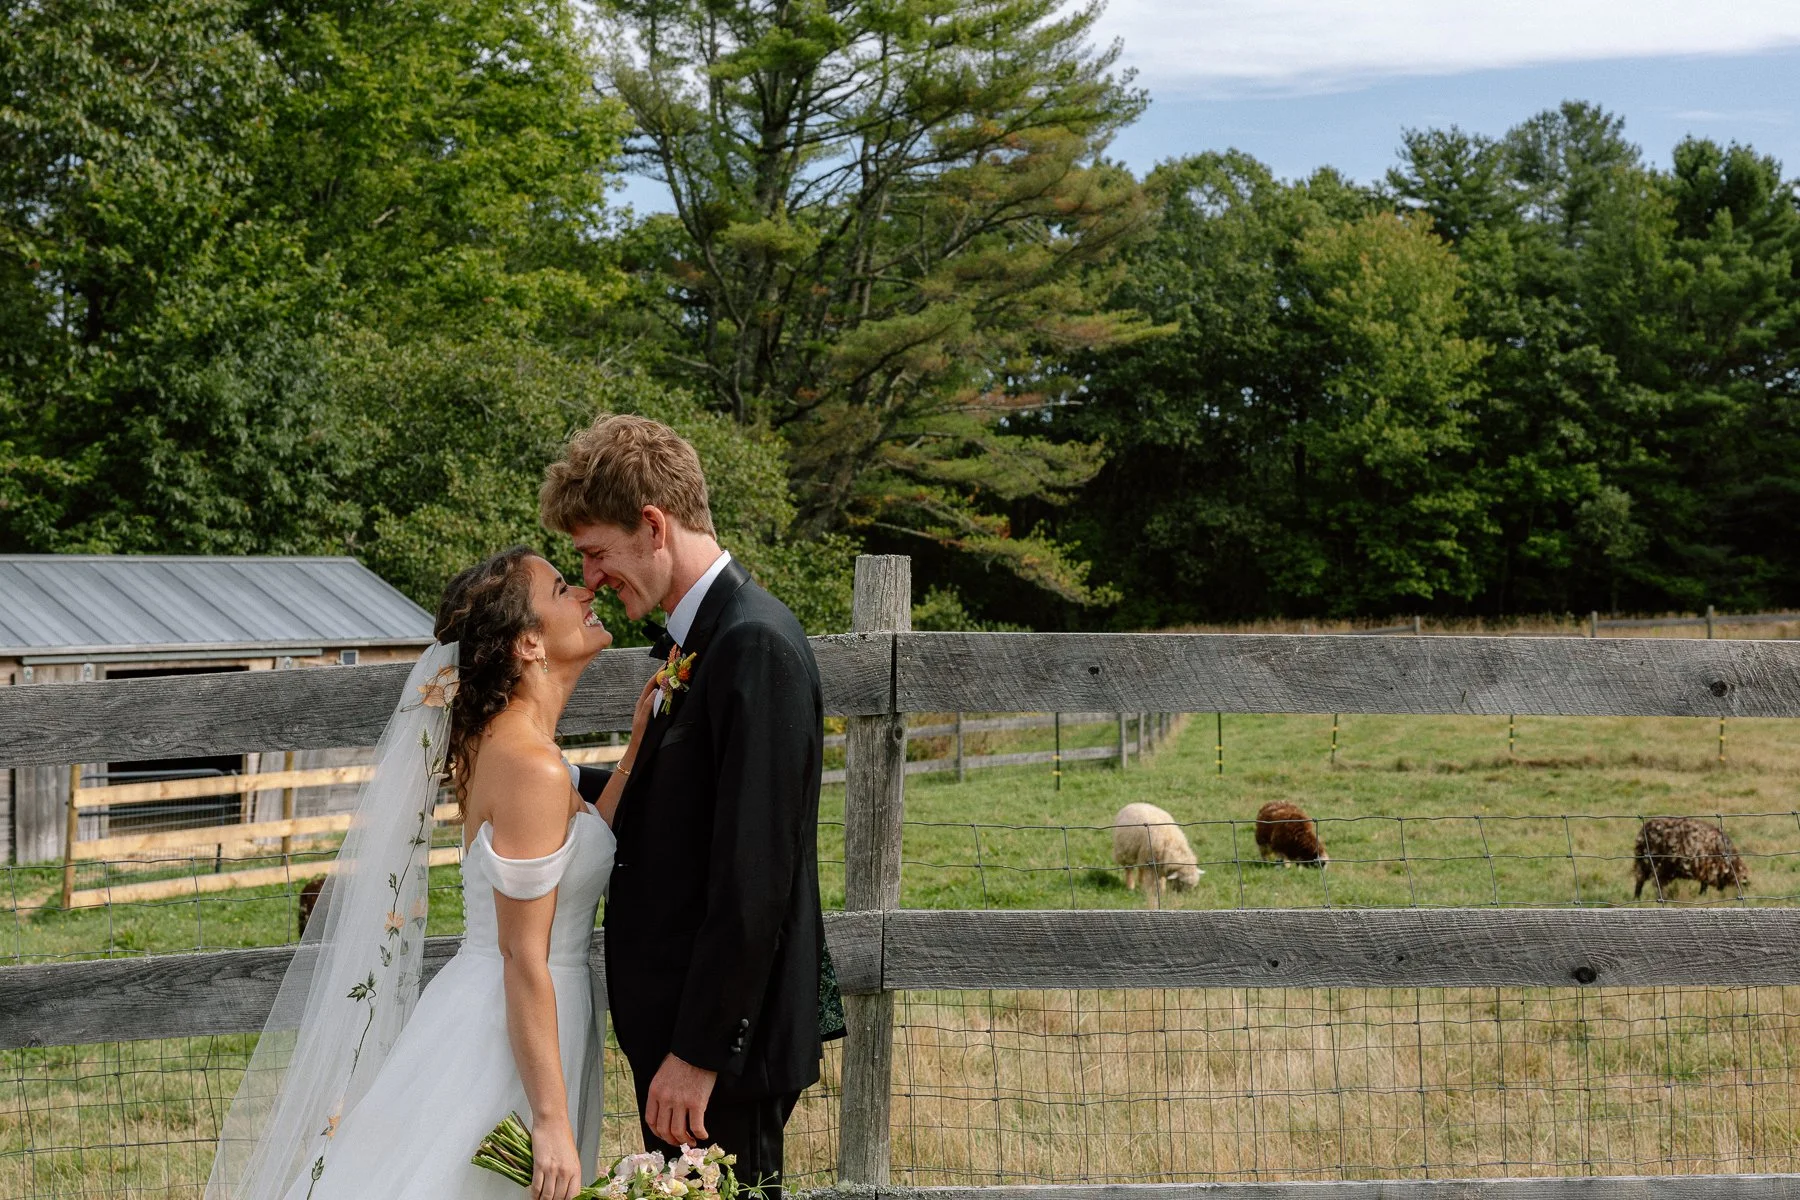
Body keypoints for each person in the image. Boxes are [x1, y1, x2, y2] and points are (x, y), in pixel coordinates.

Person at [207, 547, 658, 1200]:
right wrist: (552, 1121)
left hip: (532, 1015)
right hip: (506, 1034)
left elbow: (578, 845)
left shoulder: (513, 750)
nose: (587, 594)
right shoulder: (531, 765)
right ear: (529, 643)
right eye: (563, 590)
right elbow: (522, 955)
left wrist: (637, 747)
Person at [540, 414, 837, 1196]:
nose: (593, 577)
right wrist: (536, 775)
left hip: (716, 1060)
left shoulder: (754, 646)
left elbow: (755, 876)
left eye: (596, 553)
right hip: (684, 1043)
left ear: (653, 526)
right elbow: (675, 803)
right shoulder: (699, 642)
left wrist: (699, 1054)